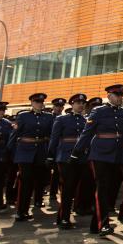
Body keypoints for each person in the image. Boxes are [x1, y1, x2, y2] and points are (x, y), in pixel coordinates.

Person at [71, 84, 123, 236]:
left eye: (121, 95)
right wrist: (76, 152)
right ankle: (103, 224)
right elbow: (87, 133)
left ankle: (95, 225)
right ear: (109, 96)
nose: (120, 98)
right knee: (102, 189)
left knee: (109, 190)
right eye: (117, 95)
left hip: (116, 155)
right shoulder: (98, 111)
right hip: (99, 154)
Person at [8, 93, 54, 221]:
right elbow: (15, 134)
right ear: (32, 103)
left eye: (41, 102)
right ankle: (21, 211)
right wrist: (11, 152)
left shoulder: (48, 117)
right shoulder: (23, 116)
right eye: (36, 102)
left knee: (39, 180)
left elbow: (51, 135)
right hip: (25, 152)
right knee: (25, 182)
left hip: (41, 152)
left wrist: (50, 153)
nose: (39, 104)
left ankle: (34, 203)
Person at [48, 93, 89, 229]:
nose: (81, 105)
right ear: (72, 104)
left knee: (77, 187)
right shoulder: (61, 119)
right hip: (65, 157)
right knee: (67, 188)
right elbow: (54, 139)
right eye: (78, 103)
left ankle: (70, 213)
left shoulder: (86, 120)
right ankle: (64, 218)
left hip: (81, 157)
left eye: (83, 103)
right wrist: (50, 156)